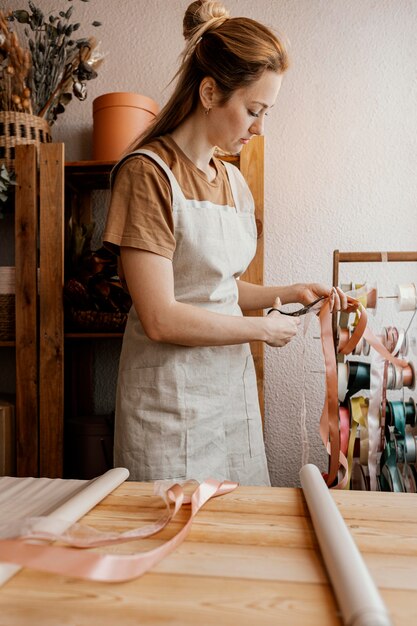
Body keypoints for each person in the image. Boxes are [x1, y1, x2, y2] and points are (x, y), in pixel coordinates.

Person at [103, 0, 346, 486]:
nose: (259, 128)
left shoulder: (231, 182)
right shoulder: (148, 174)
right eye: (254, 110)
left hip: (228, 401)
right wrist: (260, 332)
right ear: (210, 92)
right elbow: (161, 316)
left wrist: (288, 292)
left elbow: (217, 288)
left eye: (266, 112)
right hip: (169, 407)